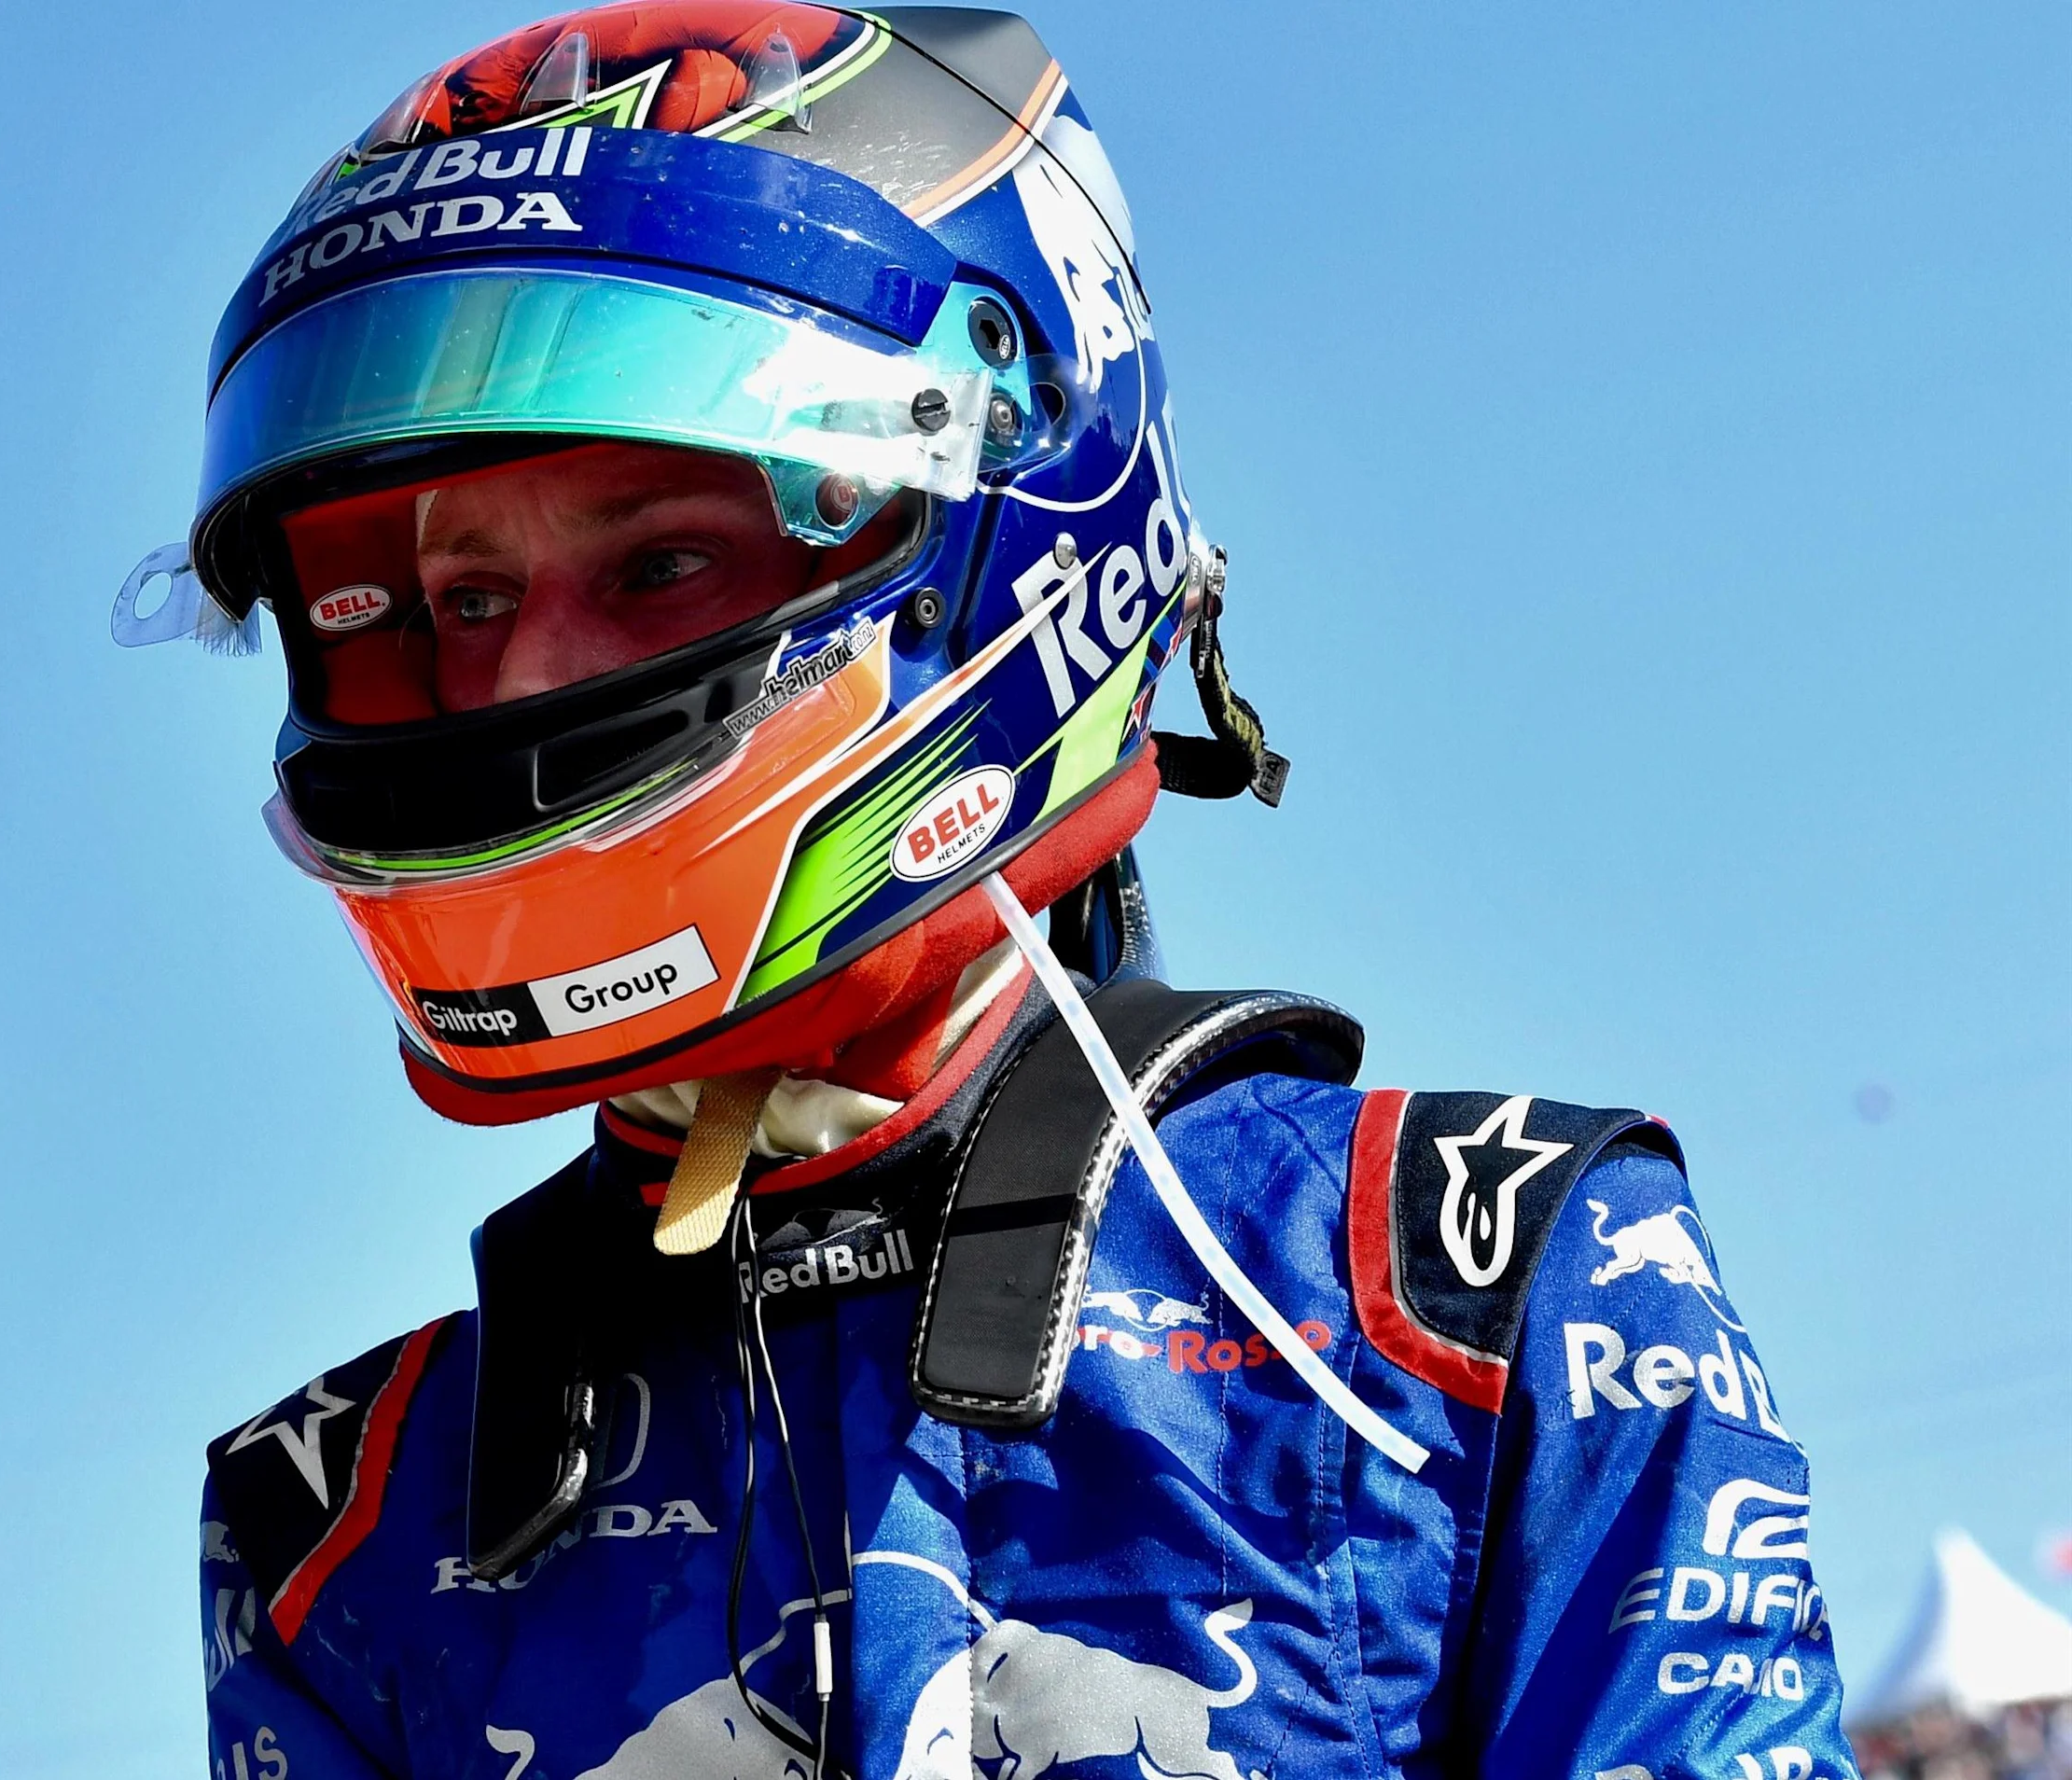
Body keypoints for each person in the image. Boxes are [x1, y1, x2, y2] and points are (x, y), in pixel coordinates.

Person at [118, 7, 1859, 1776]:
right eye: (454, 606)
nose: (515, 686)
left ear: (1002, 519)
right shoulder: (330, 1515)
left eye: (656, 559)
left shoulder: (1471, 1286)